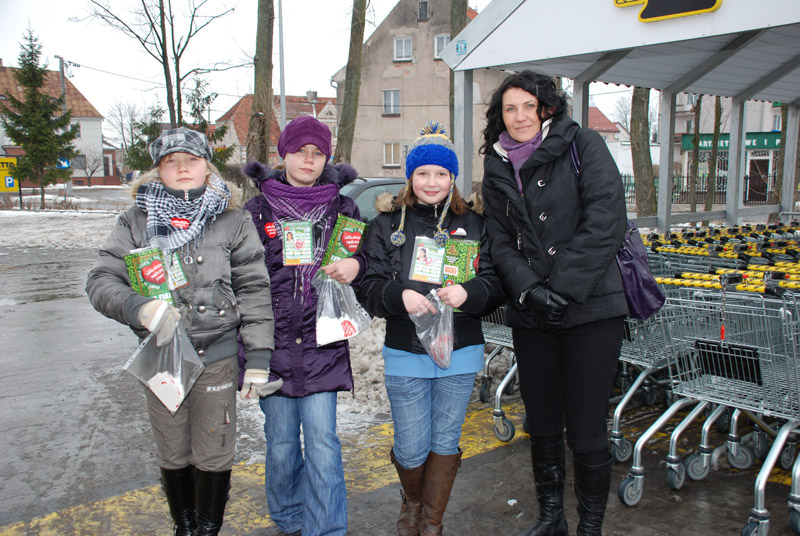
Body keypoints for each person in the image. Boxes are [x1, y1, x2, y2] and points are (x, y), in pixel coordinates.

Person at [86, 126, 279, 536]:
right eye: (171, 162)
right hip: (162, 356)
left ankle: (206, 530)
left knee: (214, 451)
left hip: (218, 358)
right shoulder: (136, 220)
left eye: (191, 160)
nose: (182, 168)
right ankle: (185, 527)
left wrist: (259, 358)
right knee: (173, 450)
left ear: (207, 166)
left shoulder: (233, 220)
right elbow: (101, 280)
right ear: (158, 170)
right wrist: (140, 309)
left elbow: (255, 290)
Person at [480, 70, 629, 536]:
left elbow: (606, 219)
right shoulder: (497, 162)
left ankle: (590, 527)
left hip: (589, 307)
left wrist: (560, 288)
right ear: (500, 115)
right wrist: (530, 290)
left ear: (547, 107)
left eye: (529, 105)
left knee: (586, 426)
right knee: (541, 420)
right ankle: (551, 519)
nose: (520, 116)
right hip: (531, 311)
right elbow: (499, 242)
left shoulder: (584, 144)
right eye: (510, 108)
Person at [358, 122, 504, 536]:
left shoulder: (475, 223)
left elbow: (496, 282)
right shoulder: (386, 225)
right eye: (423, 173)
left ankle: (432, 522)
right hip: (406, 350)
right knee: (410, 443)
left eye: (441, 173)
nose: (432, 181)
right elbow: (368, 285)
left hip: (460, 350)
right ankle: (413, 506)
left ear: (453, 178)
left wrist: (470, 293)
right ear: (410, 177)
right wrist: (397, 297)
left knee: (444, 440)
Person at [241, 115, 365, 536]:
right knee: (279, 445)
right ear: (284, 154)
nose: (309, 160)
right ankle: (290, 519)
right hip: (271, 344)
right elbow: (241, 279)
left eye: (318, 153)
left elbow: (365, 263)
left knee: (324, 444)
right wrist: (248, 351)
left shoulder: (343, 208)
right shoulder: (257, 210)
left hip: (322, 345)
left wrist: (357, 264)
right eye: (300, 151)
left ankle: (327, 528)